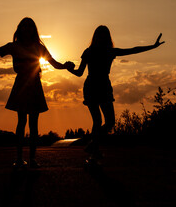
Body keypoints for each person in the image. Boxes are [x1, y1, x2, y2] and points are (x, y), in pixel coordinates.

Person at [0, 17, 74, 168]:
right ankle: (18, 158)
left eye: (30, 27)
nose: (27, 29)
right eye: (24, 26)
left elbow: (55, 64)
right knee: (22, 122)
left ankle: (32, 159)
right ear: (20, 29)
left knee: (34, 124)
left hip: (35, 84)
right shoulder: (14, 46)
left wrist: (66, 66)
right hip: (22, 84)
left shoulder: (39, 47)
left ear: (33, 30)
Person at [67, 25, 165, 166]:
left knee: (110, 121)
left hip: (103, 86)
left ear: (107, 37)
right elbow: (80, 72)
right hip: (93, 86)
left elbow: (133, 50)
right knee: (98, 121)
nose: (101, 38)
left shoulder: (108, 51)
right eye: (99, 35)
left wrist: (152, 46)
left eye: (104, 35)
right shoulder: (90, 52)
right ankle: (94, 151)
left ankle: (93, 145)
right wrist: (70, 69)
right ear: (96, 37)